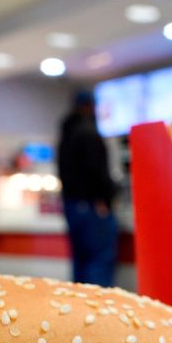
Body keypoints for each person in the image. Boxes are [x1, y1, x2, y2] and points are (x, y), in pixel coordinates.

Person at [57, 91, 118, 286]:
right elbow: (96, 172)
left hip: (72, 205)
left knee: (80, 262)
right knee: (98, 261)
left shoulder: (66, 133)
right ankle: (96, 314)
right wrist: (106, 197)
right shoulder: (89, 133)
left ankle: (79, 313)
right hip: (92, 207)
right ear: (90, 106)